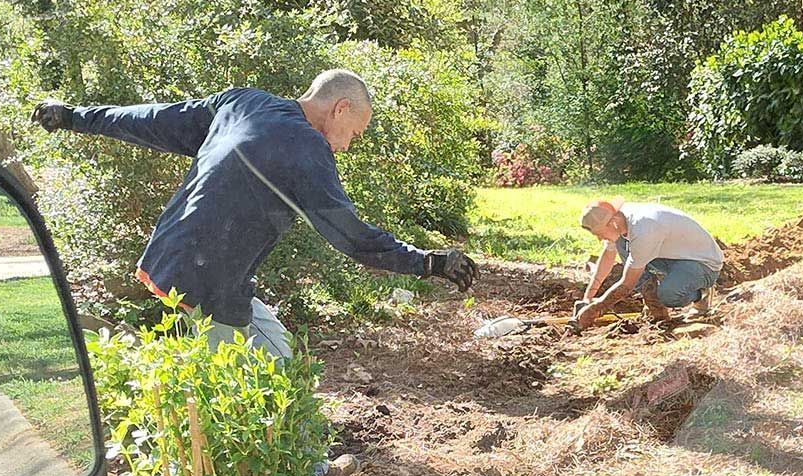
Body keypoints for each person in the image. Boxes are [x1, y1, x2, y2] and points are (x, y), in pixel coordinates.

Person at [32, 70, 475, 355]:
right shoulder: (308, 149)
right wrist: (429, 262)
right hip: (209, 282)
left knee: (256, 354)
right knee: (273, 375)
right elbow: (353, 238)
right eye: (353, 134)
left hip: (171, 260)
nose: (345, 146)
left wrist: (74, 116)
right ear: (339, 108)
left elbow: (152, 119)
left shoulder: (241, 103)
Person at [572, 197, 724, 334]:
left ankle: (700, 296)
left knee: (668, 296)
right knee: (623, 246)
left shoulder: (644, 229)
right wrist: (588, 298)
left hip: (703, 263)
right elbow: (607, 256)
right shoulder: (620, 219)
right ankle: (656, 308)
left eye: (600, 233)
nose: (599, 238)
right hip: (674, 254)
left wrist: (595, 309)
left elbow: (627, 285)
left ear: (613, 223)